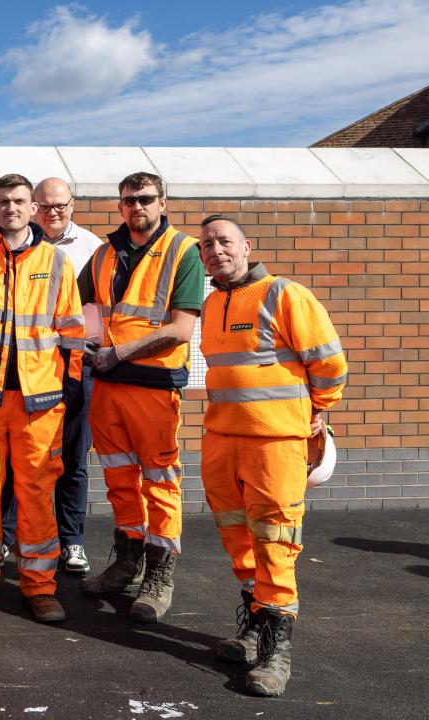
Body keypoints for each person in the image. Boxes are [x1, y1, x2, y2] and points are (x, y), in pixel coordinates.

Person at [197, 215, 347, 697]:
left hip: (276, 443)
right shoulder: (212, 302)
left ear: (246, 246)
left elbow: (329, 361)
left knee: (276, 538)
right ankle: (256, 624)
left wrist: (320, 409)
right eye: (207, 245)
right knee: (236, 532)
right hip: (223, 440)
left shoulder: (284, 294)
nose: (216, 249)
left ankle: (276, 651)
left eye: (225, 241)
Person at [0, 173, 85, 623]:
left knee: (37, 494)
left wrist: (70, 386)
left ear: (32, 208)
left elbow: (72, 331)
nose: (11, 208)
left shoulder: (57, 262)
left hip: (40, 400)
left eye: (19, 201)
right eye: (3, 201)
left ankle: (40, 586)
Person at [76, 172, 203, 623]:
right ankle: (127, 561)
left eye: (146, 199)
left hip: (152, 386)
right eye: (129, 200)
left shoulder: (184, 251)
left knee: (161, 481)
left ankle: (159, 576)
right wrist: (87, 342)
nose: (137, 207)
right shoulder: (104, 253)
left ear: (163, 202)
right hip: (108, 384)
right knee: (119, 478)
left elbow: (181, 328)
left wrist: (118, 352)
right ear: (119, 206)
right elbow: (76, 305)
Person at [0, 177, 103, 575]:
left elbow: (87, 317)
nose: (52, 212)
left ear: (72, 205)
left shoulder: (92, 249)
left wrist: (76, 372)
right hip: (29, 377)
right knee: (20, 463)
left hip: (76, 369)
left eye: (60, 205)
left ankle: (71, 539)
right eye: (44, 206)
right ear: (32, 208)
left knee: (73, 459)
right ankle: (9, 536)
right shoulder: (18, 249)